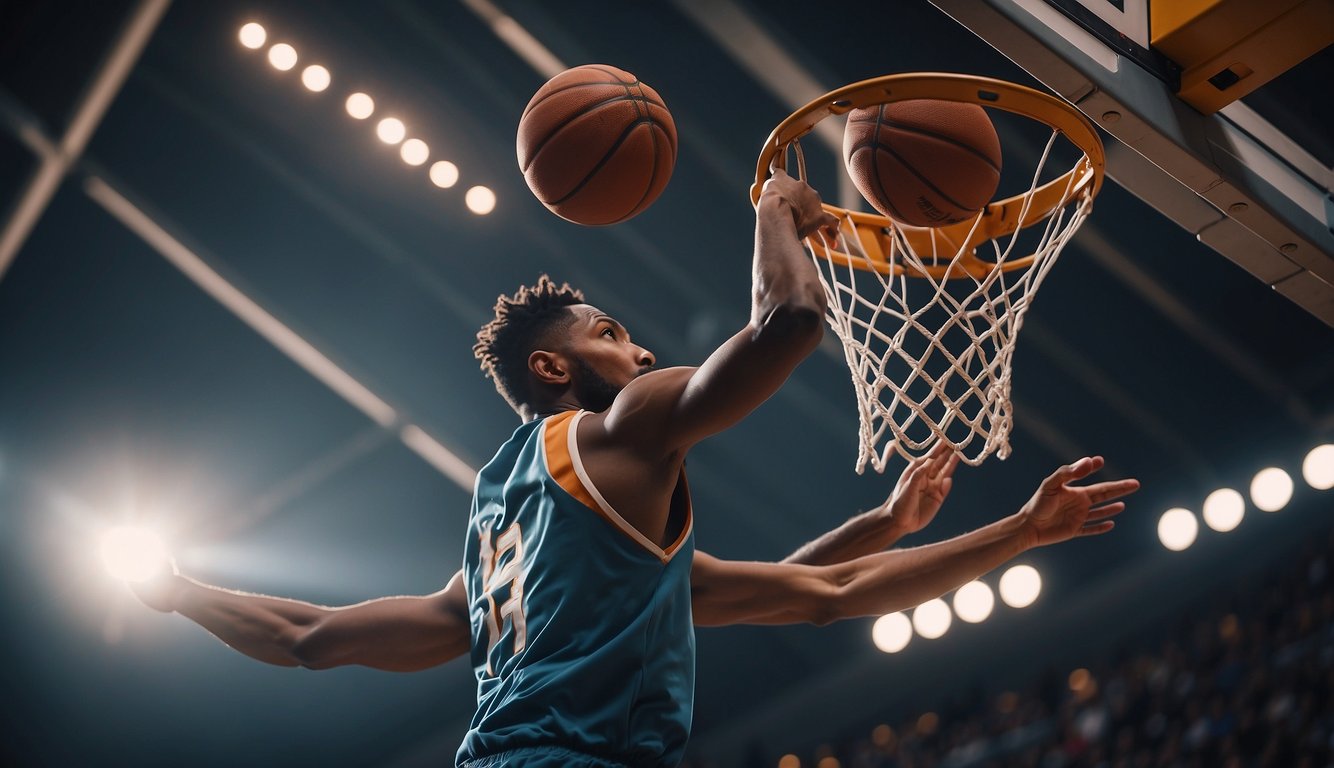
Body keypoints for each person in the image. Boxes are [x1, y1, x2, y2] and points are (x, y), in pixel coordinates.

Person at [131, 170, 1139, 767]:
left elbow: (308, 638)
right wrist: (774, 208)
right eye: (611, 334)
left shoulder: (499, 535)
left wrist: (179, 593)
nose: (643, 353)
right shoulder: (620, 425)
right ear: (551, 365)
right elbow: (787, 323)